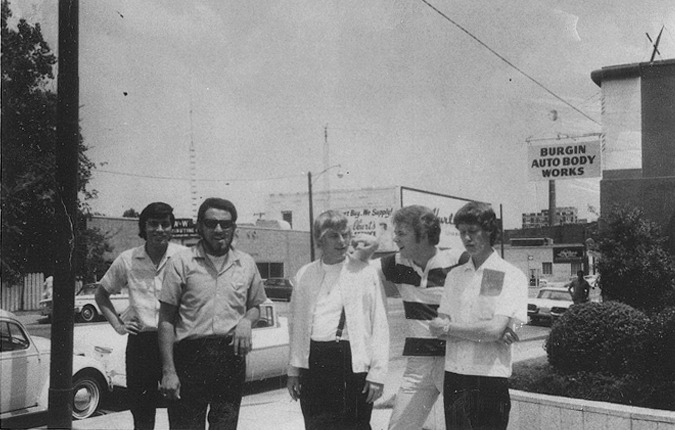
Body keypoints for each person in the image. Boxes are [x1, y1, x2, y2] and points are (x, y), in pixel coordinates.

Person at [158, 198, 267, 430]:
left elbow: (255, 306)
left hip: (230, 358)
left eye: (225, 224)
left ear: (233, 228)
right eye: (211, 223)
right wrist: (168, 371)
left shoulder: (246, 263)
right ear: (199, 226)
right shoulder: (180, 262)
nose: (218, 229)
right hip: (189, 358)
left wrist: (246, 321)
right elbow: (166, 319)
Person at [287, 210, 389, 430]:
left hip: (351, 361)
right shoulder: (304, 274)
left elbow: (380, 325)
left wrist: (377, 374)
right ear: (319, 240)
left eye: (345, 234)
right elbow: (295, 326)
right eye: (334, 236)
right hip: (313, 361)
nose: (342, 241)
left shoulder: (365, 273)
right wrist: (294, 371)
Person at [429, 201, 528, 430]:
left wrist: (451, 329)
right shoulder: (454, 276)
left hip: (490, 376)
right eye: (462, 232)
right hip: (455, 375)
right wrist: (481, 330)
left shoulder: (509, 274)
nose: (467, 238)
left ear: (490, 231)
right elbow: (438, 327)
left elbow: (496, 330)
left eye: (473, 231)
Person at [95, 202, 187, 430]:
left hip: (177, 344)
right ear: (143, 227)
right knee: (142, 415)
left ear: (172, 227)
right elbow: (101, 295)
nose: (159, 229)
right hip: (142, 345)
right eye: (153, 224)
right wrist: (119, 325)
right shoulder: (128, 259)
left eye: (165, 224)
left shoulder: (184, 257)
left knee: (181, 413)